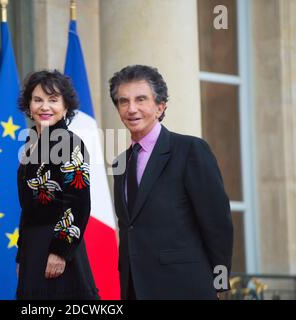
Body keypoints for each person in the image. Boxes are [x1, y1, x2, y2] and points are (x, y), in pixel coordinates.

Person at [110, 65, 233, 299]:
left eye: (141, 99)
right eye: (123, 101)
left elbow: (217, 221)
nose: (131, 109)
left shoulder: (190, 150)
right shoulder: (120, 163)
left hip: (184, 286)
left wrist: (219, 282)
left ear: (160, 106)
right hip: (134, 288)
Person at [15, 70, 99, 300]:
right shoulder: (30, 142)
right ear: (29, 105)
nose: (45, 107)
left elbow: (79, 203)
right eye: (38, 99)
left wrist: (60, 252)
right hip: (33, 248)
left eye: (53, 100)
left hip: (58, 247)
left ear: (65, 107)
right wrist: (22, 255)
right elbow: (28, 209)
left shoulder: (70, 142)